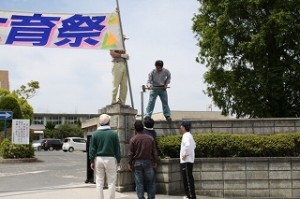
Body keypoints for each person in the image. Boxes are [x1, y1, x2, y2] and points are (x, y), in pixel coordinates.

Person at [89, 114, 121, 199]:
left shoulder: (95, 134)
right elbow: (117, 148)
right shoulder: (113, 134)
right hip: (110, 158)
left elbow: (92, 149)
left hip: (98, 159)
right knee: (111, 182)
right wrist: (118, 160)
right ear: (108, 122)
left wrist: (92, 161)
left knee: (99, 181)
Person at [128, 120, 158, 199]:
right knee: (151, 182)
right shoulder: (150, 138)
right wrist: (155, 161)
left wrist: (130, 164)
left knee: (139, 183)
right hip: (148, 162)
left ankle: (141, 197)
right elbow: (154, 151)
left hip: (137, 163)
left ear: (135, 129)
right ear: (142, 128)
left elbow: (130, 154)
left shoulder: (133, 139)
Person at [179, 120, 197, 199]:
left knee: (188, 179)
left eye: (181, 126)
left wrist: (185, 154)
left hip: (186, 161)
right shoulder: (189, 135)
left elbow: (188, 145)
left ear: (184, 128)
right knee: (188, 178)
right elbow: (194, 145)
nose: (180, 128)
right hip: (189, 160)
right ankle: (189, 195)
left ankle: (191, 196)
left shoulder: (186, 135)